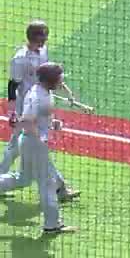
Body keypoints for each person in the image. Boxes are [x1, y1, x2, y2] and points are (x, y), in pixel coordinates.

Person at [3, 20, 80, 202]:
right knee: (31, 148)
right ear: (31, 38)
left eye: (45, 38)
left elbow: (47, 74)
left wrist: (66, 91)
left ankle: (60, 187)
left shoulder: (43, 51)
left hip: (40, 103)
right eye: (40, 38)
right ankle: (60, 187)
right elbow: (12, 85)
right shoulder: (20, 59)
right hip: (27, 108)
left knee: (16, 149)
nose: (43, 42)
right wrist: (12, 112)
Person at [0, 62, 77, 235]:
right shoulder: (38, 96)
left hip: (30, 142)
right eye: (59, 77)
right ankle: (52, 225)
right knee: (47, 183)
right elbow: (27, 121)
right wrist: (41, 137)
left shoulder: (44, 92)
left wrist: (51, 124)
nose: (61, 80)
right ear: (50, 79)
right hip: (33, 143)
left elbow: (37, 117)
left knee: (23, 179)